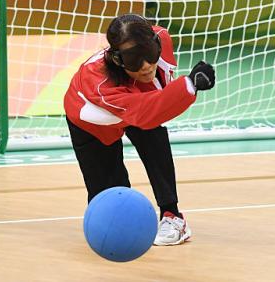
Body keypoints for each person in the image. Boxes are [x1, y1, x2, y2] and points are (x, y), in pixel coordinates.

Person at [64, 14, 215, 246]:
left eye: (150, 53)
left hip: (140, 104)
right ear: (117, 59)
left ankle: (172, 215)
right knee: (113, 206)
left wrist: (180, 88)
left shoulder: (161, 38)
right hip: (92, 124)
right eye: (134, 59)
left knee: (154, 132)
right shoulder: (100, 83)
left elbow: (155, 106)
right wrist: (190, 85)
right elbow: (145, 111)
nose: (146, 66)